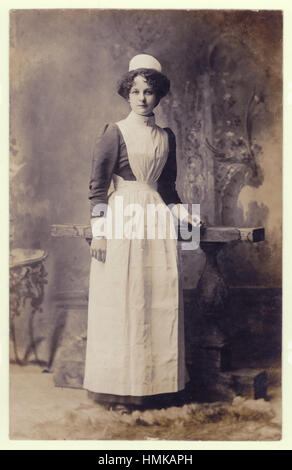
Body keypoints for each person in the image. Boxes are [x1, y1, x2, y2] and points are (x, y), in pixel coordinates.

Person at [83, 54, 191, 413]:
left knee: (157, 298)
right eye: (136, 91)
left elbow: (169, 188)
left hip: (156, 218)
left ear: (159, 96)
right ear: (127, 94)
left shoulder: (166, 136)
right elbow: (98, 188)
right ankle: (118, 388)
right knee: (123, 299)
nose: (142, 98)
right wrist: (100, 232)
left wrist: (185, 217)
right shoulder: (114, 131)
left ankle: (158, 386)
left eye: (149, 92)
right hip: (122, 219)